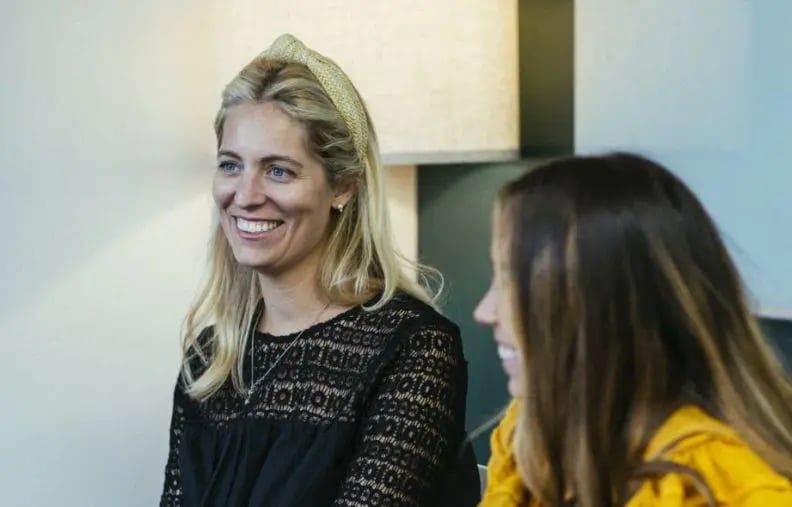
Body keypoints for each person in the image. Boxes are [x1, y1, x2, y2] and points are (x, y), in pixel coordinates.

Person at [159, 33, 479, 507]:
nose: (245, 195)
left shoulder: (413, 347)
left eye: (279, 171)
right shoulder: (211, 359)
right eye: (231, 165)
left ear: (343, 189)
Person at [474, 153, 792, 506]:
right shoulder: (527, 436)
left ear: (602, 305)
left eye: (511, 280)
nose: (484, 312)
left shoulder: (729, 489)